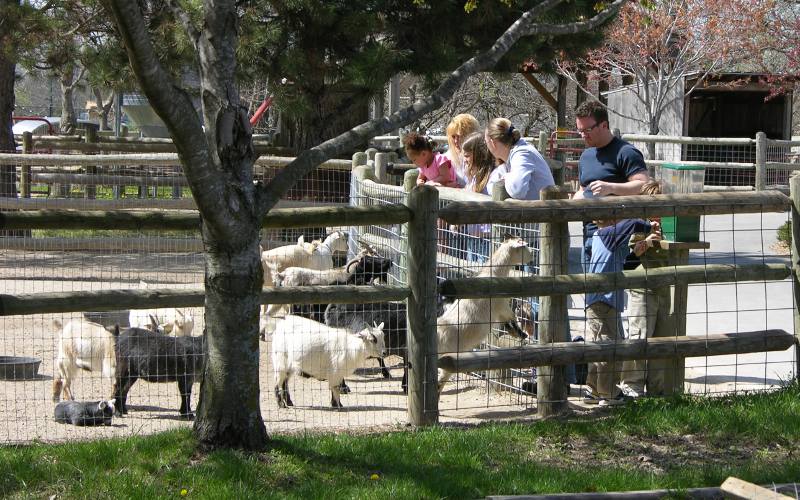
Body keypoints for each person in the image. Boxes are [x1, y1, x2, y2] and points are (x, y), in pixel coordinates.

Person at [583, 216, 653, 407]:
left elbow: (621, 265)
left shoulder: (602, 239)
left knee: (598, 345)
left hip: (600, 301)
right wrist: (650, 225)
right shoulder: (607, 235)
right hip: (603, 301)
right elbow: (632, 224)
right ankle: (609, 393)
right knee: (610, 347)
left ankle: (593, 389)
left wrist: (637, 251)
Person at [573, 101, 650, 268]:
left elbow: (643, 184)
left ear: (604, 125)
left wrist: (611, 188)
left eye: (587, 130)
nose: (583, 135)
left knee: (611, 289)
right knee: (589, 288)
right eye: (580, 130)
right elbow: (582, 190)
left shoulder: (626, 152)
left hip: (616, 235)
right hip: (589, 233)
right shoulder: (586, 156)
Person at [618, 181, 674, 398]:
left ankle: (657, 389)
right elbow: (630, 258)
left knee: (661, 339)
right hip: (642, 289)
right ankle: (632, 386)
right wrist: (648, 242)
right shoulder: (638, 226)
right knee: (639, 336)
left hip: (662, 288)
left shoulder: (668, 226)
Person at [484, 118, 555, 201]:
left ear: (493, 143)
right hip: (534, 211)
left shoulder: (522, 153)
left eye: (486, 142)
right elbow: (490, 187)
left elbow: (518, 191)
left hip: (543, 212)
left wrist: (507, 176)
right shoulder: (515, 154)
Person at [460, 132, 503, 262]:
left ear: (478, 155)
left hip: (487, 238)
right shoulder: (473, 178)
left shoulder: (492, 177)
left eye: (467, 156)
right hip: (473, 237)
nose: (465, 160)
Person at [446, 114, 481, 188]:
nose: (456, 141)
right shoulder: (447, 157)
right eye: (453, 136)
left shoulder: (483, 157)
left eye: (460, 136)